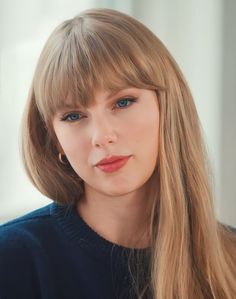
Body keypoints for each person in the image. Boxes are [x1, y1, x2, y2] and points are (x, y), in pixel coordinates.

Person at [0, 7, 235, 299]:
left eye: (123, 102)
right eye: (73, 116)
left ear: (168, 107)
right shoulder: (13, 259)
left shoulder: (230, 259)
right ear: (54, 139)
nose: (102, 137)